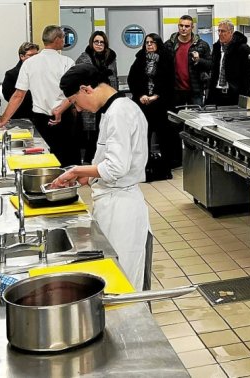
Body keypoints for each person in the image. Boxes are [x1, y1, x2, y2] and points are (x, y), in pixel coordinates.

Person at [50, 64, 150, 290]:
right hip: (114, 199)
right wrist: (90, 176)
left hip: (121, 208)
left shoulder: (119, 112)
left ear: (86, 89)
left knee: (121, 281)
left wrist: (77, 171)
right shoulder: (113, 110)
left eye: (75, 102)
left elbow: (116, 168)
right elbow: (109, 161)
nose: (79, 108)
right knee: (115, 275)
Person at [0, 25, 80, 166]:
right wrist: (59, 110)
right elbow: (74, 92)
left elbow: (18, 95)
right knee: (66, 160)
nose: (64, 41)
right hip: (64, 118)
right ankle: (67, 186)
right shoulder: (67, 62)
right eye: (63, 38)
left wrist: (3, 121)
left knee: (43, 159)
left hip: (41, 121)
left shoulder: (29, 63)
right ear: (57, 40)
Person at [164, 15, 211, 168]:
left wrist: (199, 60)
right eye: (181, 26)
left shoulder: (201, 46)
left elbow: (211, 65)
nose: (183, 29)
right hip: (175, 91)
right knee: (173, 126)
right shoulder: (169, 45)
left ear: (192, 28)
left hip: (195, 91)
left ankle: (197, 159)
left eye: (187, 26)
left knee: (196, 125)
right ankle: (176, 159)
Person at [127, 33, 174, 181]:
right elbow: (132, 79)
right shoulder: (140, 59)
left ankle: (165, 169)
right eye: (147, 42)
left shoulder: (166, 59)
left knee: (164, 138)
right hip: (143, 105)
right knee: (142, 138)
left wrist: (156, 96)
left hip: (160, 104)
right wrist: (141, 95)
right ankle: (144, 169)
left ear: (158, 44)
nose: (149, 45)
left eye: (152, 42)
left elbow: (169, 81)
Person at [75, 31, 118, 164]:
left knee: (104, 131)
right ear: (91, 43)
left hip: (106, 100)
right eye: (96, 42)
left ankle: (102, 161)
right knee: (91, 134)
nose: (99, 44)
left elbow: (114, 78)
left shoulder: (110, 58)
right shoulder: (84, 58)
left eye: (102, 42)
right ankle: (89, 161)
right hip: (91, 99)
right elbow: (78, 80)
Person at [207, 19, 250, 106]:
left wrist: (243, 94)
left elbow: (249, 74)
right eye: (218, 31)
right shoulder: (217, 48)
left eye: (223, 31)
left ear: (231, 32)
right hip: (216, 94)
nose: (220, 34)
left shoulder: (242, 49)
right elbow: (214, 70)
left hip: (234, 95)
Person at [1, 42, 39, 120]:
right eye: (31, 55)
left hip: (40, 116)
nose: (35, 58)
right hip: (21, 115)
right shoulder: (11, 74)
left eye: (37, 55)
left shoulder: (41, 72)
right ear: (22, 56)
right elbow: (9, 96)